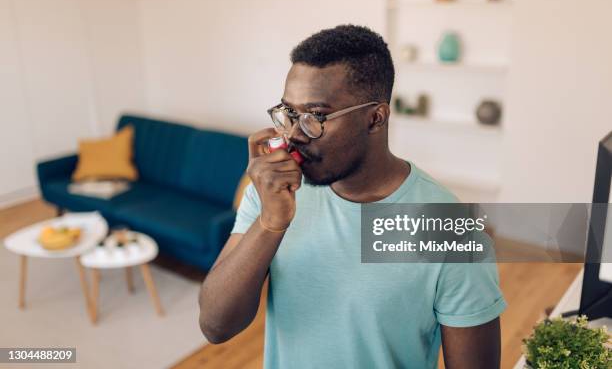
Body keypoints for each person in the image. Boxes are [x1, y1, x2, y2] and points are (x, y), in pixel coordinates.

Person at [199, 24, 506, 368]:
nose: (294, 135)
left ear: (376, 118)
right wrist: (270, 223)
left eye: (315, 117)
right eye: (289, 114)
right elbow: (215, 326)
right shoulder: (272, 195)